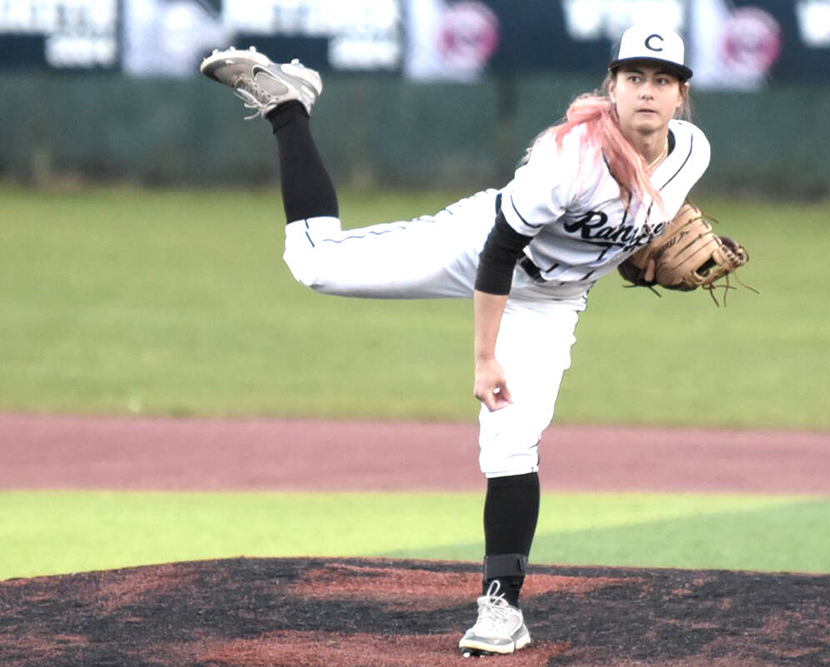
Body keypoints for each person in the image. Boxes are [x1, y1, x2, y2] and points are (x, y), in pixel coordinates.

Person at [200, 24, 709, 657]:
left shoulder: (692, 153)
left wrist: (643, 260)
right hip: (479, 248)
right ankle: (288, 107)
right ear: (612, 86)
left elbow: (630, 234)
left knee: (513, 435)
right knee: (316, 265)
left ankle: (502, 606)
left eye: (662, 80)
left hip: (551, 303)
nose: (647, 91)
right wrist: (485, 356)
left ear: (681, 95)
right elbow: (500, 253)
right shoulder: (569, 159)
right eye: (634, 77)